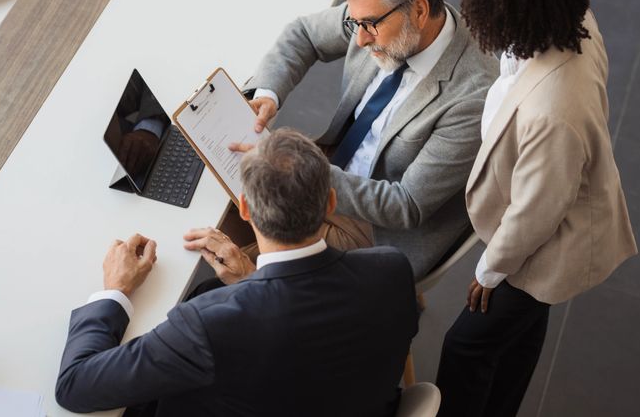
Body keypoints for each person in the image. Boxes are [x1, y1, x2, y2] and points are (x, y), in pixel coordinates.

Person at [55, 128, 418, 417]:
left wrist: (115, 291)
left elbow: (75, 386)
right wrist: (249, 282)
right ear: (331, 203)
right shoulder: (392, 269)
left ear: (244, 208)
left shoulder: (209, 325)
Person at [435, 0, 638, 417]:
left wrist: (489, 270)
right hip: (545, 223)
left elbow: (535, 214)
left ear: (510, 0)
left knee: (466, 346)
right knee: (519, 332)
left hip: (542, 244)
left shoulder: (553, 112)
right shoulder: (564, 17)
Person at [236, 0, 498, 279]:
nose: (359, 40)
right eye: (354, 24)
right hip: (333, 170)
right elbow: (304, 34)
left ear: (419, 11)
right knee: (233, 204)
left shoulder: (474, 97)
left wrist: (303, 173)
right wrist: (269, 93)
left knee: (241, 265)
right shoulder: (373, 13)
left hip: (378, 228)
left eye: (369, 26)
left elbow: (406, 205)